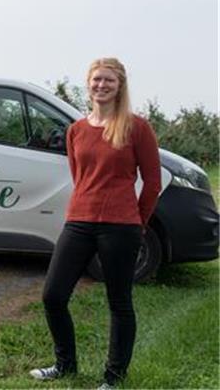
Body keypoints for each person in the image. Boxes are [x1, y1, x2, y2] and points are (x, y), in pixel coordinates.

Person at [29, 58, 161, 388]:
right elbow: (80, 176)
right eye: (96, 80)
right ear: (88, 84)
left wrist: (138, 221)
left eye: (109, 81)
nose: (101, 85)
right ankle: (65, 364)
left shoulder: (137, 127)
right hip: (79, 221)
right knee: (53, 295)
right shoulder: (76, 130)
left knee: (119, 302)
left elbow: (153, 182)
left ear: (120, 86)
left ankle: (113, 377)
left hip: (121, 225)